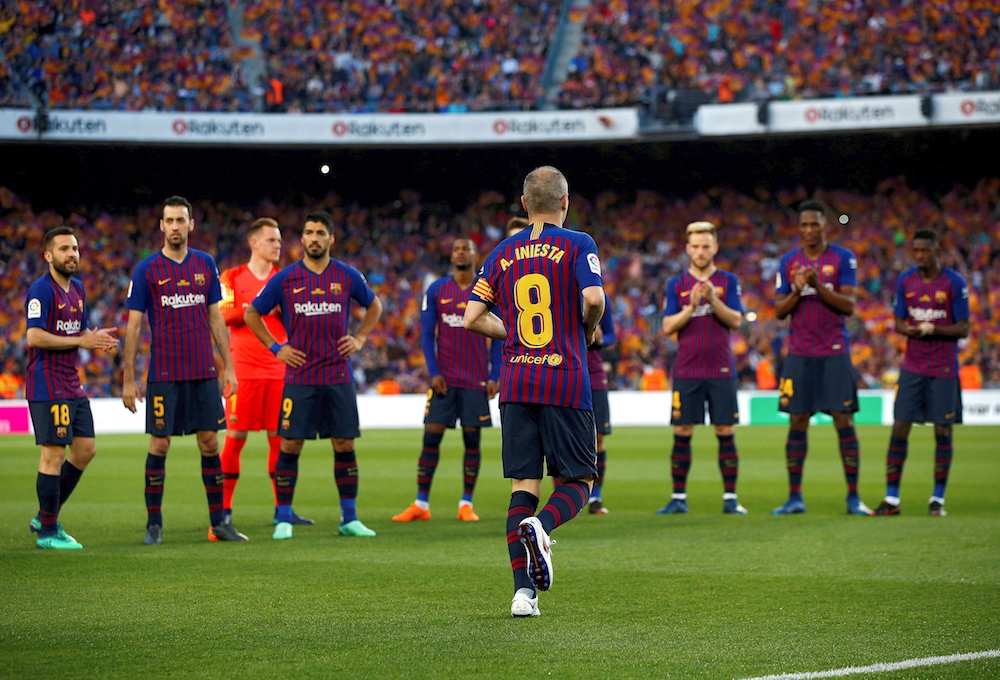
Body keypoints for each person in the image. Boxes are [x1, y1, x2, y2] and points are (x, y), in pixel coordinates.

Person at [465, 165, 605, 618]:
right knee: (580, 481)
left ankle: (523, 595)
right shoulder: (579, 244)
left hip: (516, 381)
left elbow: (470, 317)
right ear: (565, 201)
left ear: (524, 205)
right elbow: (595, 299)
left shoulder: (501, 253)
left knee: (522, 485)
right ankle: (542, 526)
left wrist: (516, 335)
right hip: (564, 376)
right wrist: (585, 330)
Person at [245, 210, 383, 540]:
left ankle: (349, 518)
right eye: (308, 232)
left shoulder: (347, 275)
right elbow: (252, 313)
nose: (314, 238)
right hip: (300, 377)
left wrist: (361, 337)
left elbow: (374, 305)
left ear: (331, 238)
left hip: (338, 375)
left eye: (320, 232)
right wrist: (277, 348)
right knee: (290, 444)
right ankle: (283, 517)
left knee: (344, 443)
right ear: (303, 238)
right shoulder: (285, 278)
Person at [122, 195, 245, 544]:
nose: (175, 226)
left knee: (209, 443)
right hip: (164, 374)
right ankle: (154, 525)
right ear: (161, 226)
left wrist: (229, 368)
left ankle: (219, 522)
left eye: (181, 220)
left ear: (192, 224)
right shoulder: (146, 269)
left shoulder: (206, 264)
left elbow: (216, 319)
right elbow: (133, 327)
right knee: (159, 445)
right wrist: (129, 379)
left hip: (204, 372)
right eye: (169, 221)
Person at [771, 199, 874, 516]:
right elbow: (778, 312)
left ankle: (854, 497)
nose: (809, 230)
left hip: (834, 351)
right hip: (800, 352)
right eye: (804, 225)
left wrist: (817, 285)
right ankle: (794, 497)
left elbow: (848, 305)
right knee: (797, 420)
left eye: (814, 224)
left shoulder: (843, 258)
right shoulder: (789, 262)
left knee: (843, 420)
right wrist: (798, 289)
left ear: (825, 225)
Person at [215, 217, 312, 541]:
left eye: (279, 241)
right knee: (235, 437)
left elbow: (296, 316)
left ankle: (282, 508)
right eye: (272, 240)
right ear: (254, 242)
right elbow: (223, 314)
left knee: (280, 439)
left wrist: (266, 311)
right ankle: (223, 511)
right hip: (243, 371)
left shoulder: (284, 279)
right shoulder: (232, 277)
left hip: (278, 371)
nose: (278, 246)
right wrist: (258, 308)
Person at [392, 237, 500, 523]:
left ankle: (466, 503)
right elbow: (428, 335)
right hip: (444, 380)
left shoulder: (487, 289)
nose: (461, 253)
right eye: (456, 249)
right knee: (431, 437)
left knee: (472, 440)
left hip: (476, 379)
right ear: (451, 256)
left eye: (466, 249)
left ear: (476, 256)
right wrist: (434, 371)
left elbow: (499, 335)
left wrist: (495, 374)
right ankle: (421, 503)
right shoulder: (437, 289)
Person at [25, 227, 118, 549]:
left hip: (70, 380)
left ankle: (45, 516)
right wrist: (80, 339)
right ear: (49, 256)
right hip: (47, 381)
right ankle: (48, 532)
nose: (72, 254)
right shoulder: (41, 290)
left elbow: (76, 333)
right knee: (53, 454)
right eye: (64, 249)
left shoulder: (77, 288)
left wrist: (93, 339)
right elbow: (34, 337)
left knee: (86, 450)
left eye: (75, 248)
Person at [875, 230, 970, 517]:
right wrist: (913, 330)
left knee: (943, 431)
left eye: (924, 251)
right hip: (913, 367)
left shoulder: (954, 282)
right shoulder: (906, 280)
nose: (919, 256)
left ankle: (937, 499)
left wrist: (933, 329)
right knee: (899, 428)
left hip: (943, 368)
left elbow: (963, 328)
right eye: (915, 251)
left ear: (936, 250)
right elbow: (899, 322)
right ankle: (892, 499)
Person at [656, 221, 747, 515]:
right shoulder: (676, 285)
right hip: (687, 369)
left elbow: (735, 320)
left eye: (706, 245)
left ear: (715, 248)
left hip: (721, 368)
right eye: (695, 246)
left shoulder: (728, 281)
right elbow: (668, 326)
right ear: (687, 249)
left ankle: (731, 498)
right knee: (682, 430)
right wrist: (692, 306)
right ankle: (678, 497)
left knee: (725, 429)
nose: (700, 251)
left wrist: (712, 300)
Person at [585, 293, 616, 514]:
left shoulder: (599, 296)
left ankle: (596, 496)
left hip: (594, 375)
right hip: (563, 372)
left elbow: (612, 336)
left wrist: (601, 337)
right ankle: (562, 494)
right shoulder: (556, 287)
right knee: (560, 438)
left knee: (598, 438)